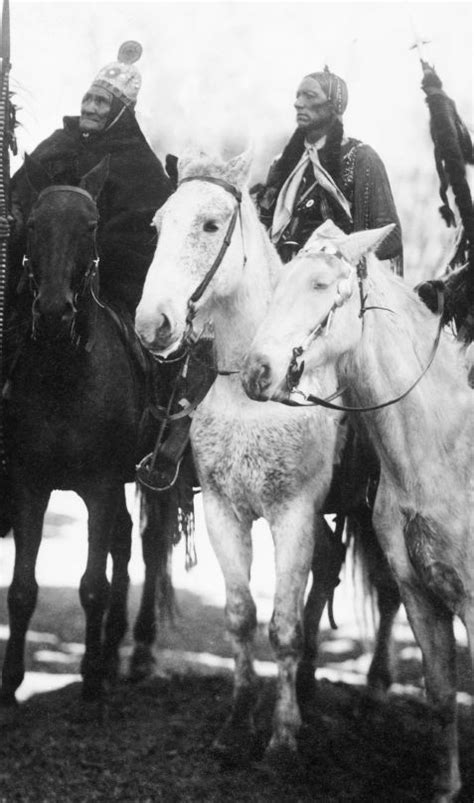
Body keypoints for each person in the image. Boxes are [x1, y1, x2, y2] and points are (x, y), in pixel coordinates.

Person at [3, 40, 173, 319]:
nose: (89, 108)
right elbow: (19, 196)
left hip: (106, 289)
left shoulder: (141, 166)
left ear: (121, 112)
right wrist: (13, 219)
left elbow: (143, 238)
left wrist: (82, 250)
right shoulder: (58, 144)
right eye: (87, 99)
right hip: (35, 275)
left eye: (101, 101)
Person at [255, 67, 404, 273]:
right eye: (298, 95)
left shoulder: (361, 158)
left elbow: (390, 237)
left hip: (331, 289)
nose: (297, 103)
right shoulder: (283, 164)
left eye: (309, 96)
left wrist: (333, 254)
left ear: (333, 105)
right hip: (278, 281)